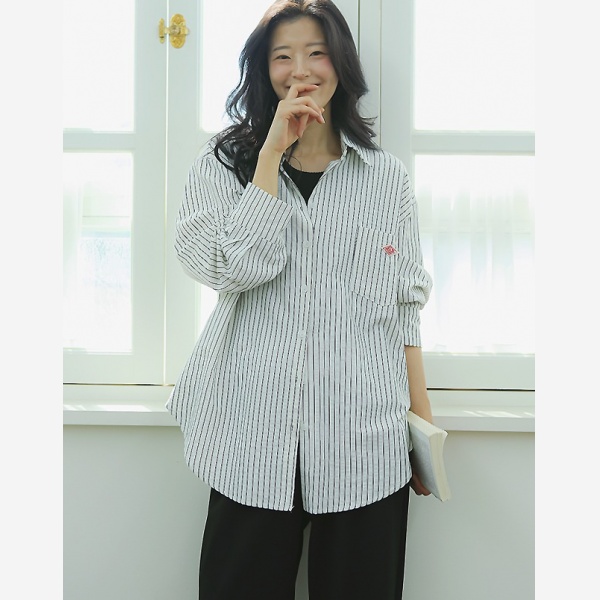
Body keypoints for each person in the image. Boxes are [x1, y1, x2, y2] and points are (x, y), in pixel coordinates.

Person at [166, 1, 434, 598]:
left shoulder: (385, 178)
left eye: (317, 52)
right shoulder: (221, 166)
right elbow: (228, 269)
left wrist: (422, 426)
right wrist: (269, 155)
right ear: (264, 71)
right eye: (282, 56)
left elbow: (405, 306)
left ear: (341, 63)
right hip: (250, 439)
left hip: (364, 443)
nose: (301, 69)